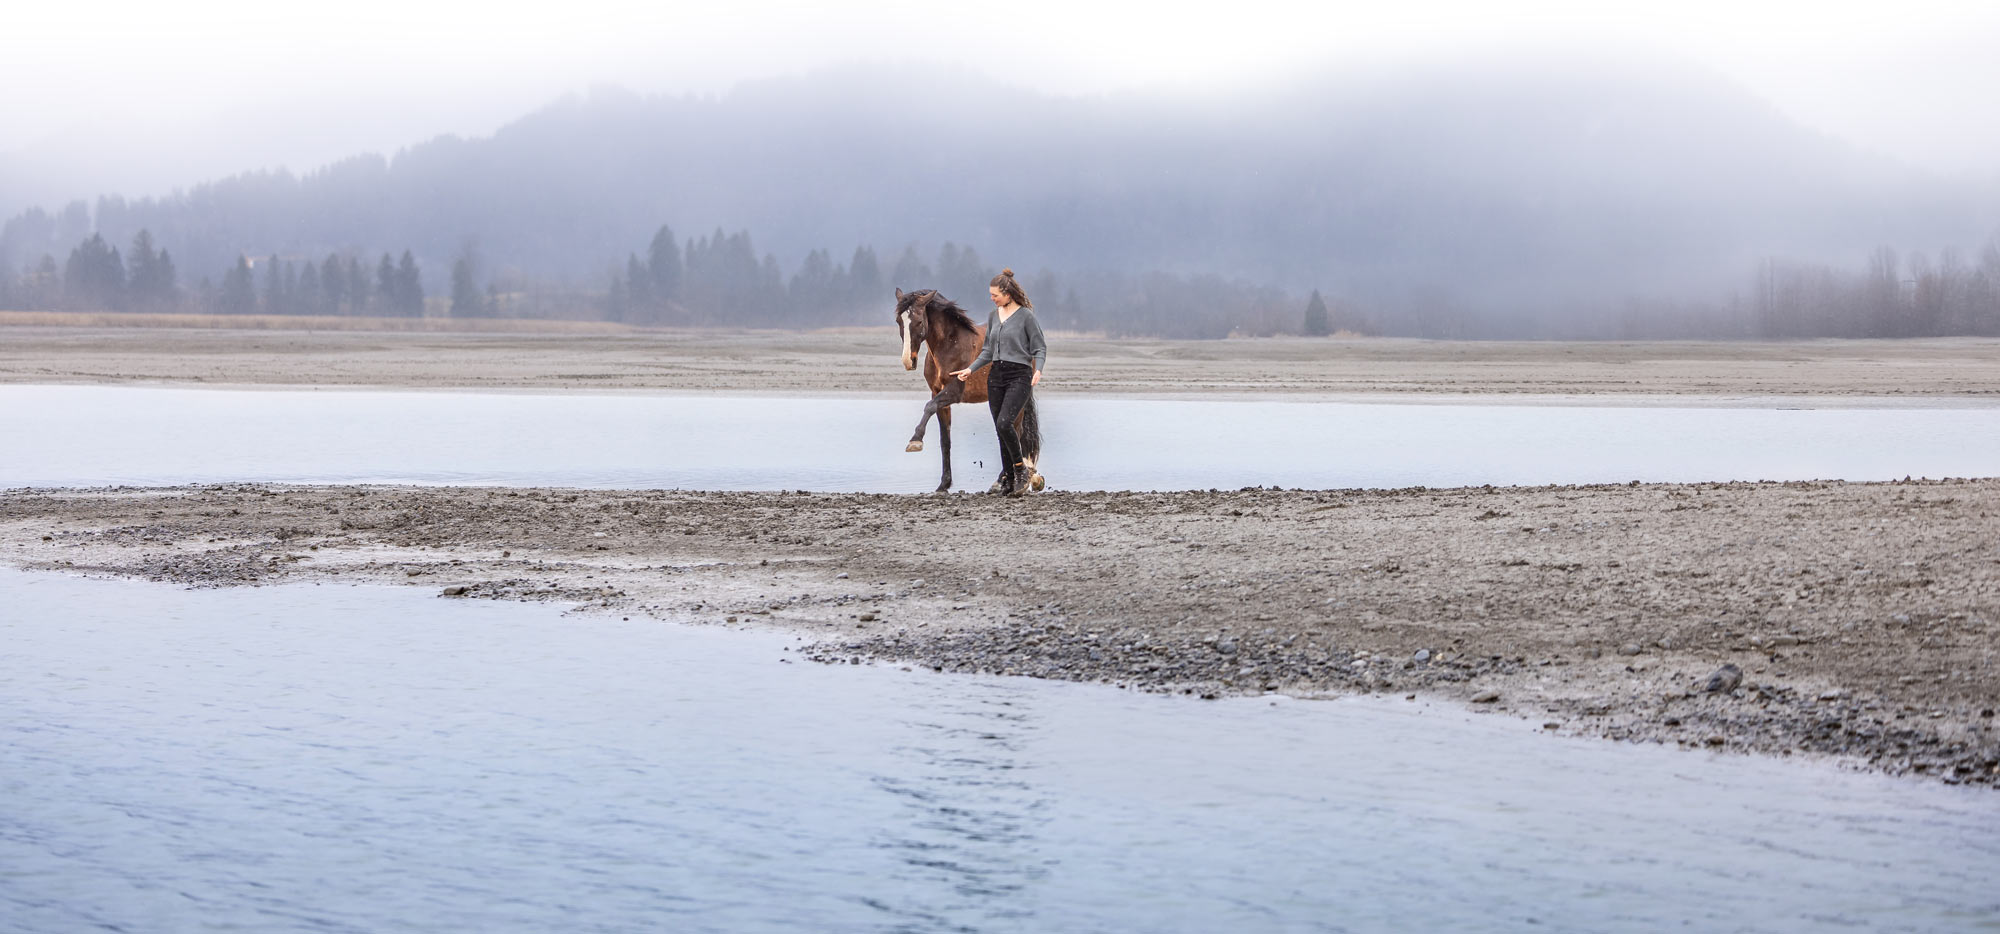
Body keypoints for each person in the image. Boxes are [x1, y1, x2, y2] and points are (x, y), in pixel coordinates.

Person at [950, 268, 1047, 496]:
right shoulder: (993, 316)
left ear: (1008, 294)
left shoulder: (1026, 316)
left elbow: (1040, 348)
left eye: (995, 295)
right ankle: (1009, 478)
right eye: (991, 295)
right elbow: (987, 351)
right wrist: (970, 369)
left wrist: (1038, 370)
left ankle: (1021, 471)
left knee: (1005, 423)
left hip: (1019, 375)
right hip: (996, 376)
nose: (992, 298)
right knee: (1000, 429)